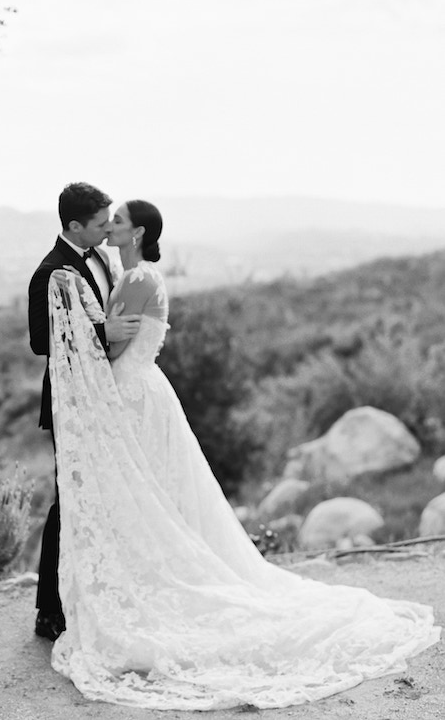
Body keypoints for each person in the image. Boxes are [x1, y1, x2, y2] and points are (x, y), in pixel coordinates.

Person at [44, 199, 441, 710]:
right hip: (139, 392)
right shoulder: (130, 274)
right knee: (155, 495)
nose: (109, 228)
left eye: (116, 222)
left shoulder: (137, 279)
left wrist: (86, 328)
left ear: (136, 232)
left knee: (148, 494)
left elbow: (111, 352)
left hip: (133, 394)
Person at [27, 182, 141, 642]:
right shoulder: (49, 273)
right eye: (99, 224)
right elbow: (41, 341)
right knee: (67, 501)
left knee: (105, 498)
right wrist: (101, 329)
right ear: (74, 225)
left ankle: (94, 596)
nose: (107, 228)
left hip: (105, 397)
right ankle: (48, 611)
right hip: (71, 402)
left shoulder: (102, 259)